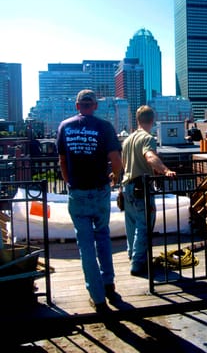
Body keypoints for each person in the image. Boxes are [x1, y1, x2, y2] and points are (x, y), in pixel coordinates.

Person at [56, 89, 123, 314]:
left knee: (86, 246)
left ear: (77, 106)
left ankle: (98, 299)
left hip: (77, 192)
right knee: (103, 236)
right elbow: (116, 160)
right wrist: (114, 177)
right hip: (100, 189)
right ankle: (109, 285)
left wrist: (69, 182)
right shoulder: (104, 127)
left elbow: (62, 161)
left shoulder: (64, 127)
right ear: (94, 106)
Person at [121, 105, 176, 276]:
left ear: (137, 120)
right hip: (140, 188)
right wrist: (166, 170)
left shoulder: (128, 140)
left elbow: (123, 165)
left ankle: (133, 256)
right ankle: (138, 264)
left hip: (126, 187)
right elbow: (150, 156)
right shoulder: (147, 138)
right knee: (143, 226)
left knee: (131, 224)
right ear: (152, 120)